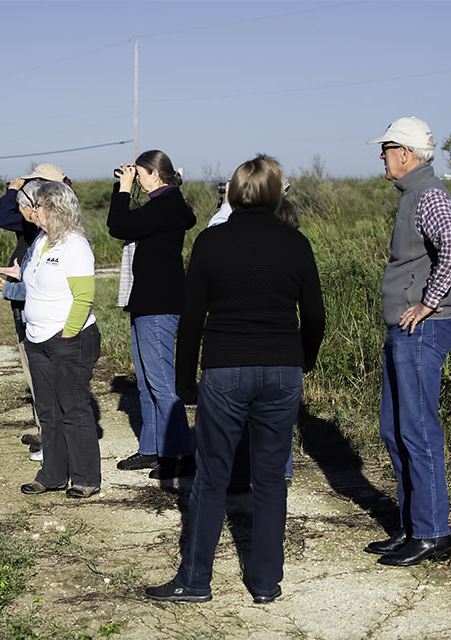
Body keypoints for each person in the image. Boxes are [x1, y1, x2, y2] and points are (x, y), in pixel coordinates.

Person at [146, 155, 325, 604]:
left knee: (211, 477)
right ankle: (265, 582)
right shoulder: (296, 243)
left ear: (232, 193)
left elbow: (191, 319)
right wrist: (303, 359)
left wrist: (185, 378)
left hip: (225, 369)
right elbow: (316, 317)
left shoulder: (210, 242)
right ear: (275, 192)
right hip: (282, 370)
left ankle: (195, 580)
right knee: (269, 478)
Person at [364, 117, 451, 567]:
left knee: (418, 428)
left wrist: (429, 303)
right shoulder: (413, 195)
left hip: (421, 330)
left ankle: (431, 533)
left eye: (385, 149)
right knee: (394, 427)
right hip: (404, 330)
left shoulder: (428, 195)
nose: (382, 158)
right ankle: (411, 526)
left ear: (405, 154)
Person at [108, 150, 197, 480]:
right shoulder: (162, 204)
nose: (137, 180)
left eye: (140, 175)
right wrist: (127, 187)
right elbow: (130, 222)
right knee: (146, 382)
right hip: (147, 301)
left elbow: (118, 225)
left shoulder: (167, 205)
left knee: (160, 384)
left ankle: (179, 454)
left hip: (159, 305)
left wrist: (122, 189)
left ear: (156, 176)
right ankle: (152, 449)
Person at [208, 187, 298, 486]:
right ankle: (276, 472)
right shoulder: (291, 246)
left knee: (240, 416)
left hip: (238, 349)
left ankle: (238, 475)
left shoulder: (230, 238)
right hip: (281, 350)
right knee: (274, 421)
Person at [18, 181, 102, 499]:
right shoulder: (41, 241)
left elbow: (84, 297)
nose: (33, 210)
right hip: (37, 339)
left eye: (37, 205)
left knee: (73, 408)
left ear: (54, 208)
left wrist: (68, 333)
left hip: (69, 339)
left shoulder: (74, 245)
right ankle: (52, 474)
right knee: (48, 410)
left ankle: (85, 478)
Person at [0, 164, 72, 460]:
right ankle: (46, 429)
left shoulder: (48, 221)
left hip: (34, 301)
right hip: (25, 292)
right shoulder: (59, 219)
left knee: (40, 368)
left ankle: (51, 435)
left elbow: (5, 218)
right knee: (36, 369)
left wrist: (12, 190)